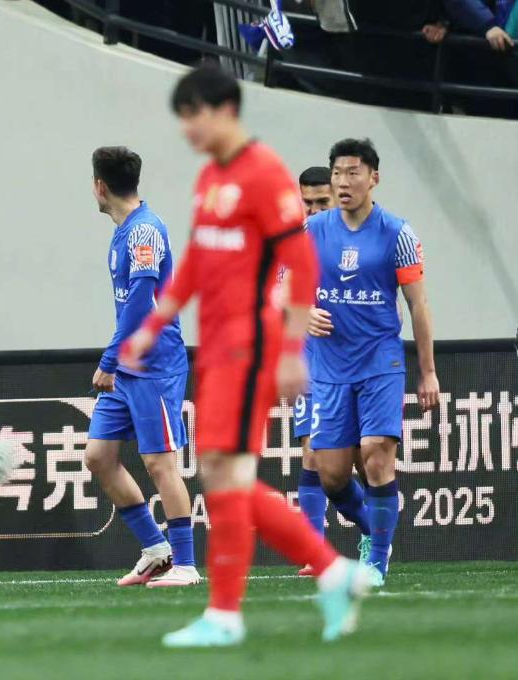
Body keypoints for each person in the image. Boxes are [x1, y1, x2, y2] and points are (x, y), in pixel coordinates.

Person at [121, 65, 369, 647]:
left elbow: (301, 264)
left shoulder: (265, 174)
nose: (187, 130)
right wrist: (151, 326)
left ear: (225, 110)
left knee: (226, 476)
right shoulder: (210, 178)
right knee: (223, 477)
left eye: (193, 117)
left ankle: (271, 594)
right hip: (217, 349)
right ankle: (304, 583)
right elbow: (196, 265)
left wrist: (290, 350)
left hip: (251, 347)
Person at [306, 138, 439, 587]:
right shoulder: (311, 231)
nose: (343, 182)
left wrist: (428, 372)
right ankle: (373, 530)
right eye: (337, 173)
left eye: (353, 173)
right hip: (329, 366)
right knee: (331, 474)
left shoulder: (398, 234)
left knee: (377, 456)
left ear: (373, 178)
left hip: (380, 360)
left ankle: (376, 563)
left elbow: (418, 305)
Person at [85, 146, 200, 589]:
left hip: (154, 365)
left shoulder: (145, 230)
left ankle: (186, 565)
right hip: (128, 368)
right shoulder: (125, 231)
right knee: (99, 457)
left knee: (159, 463)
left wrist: (110, 359)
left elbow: (141, 301)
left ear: (100, 186)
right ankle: (156, 549)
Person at [294, 166, 337, 577]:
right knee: (312, 452)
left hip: (356, 364)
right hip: (309, 362)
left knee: (360, 459)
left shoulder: (361, 239)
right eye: (307, 202)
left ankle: (375, 537)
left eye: (321, 202)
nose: (313, 210)